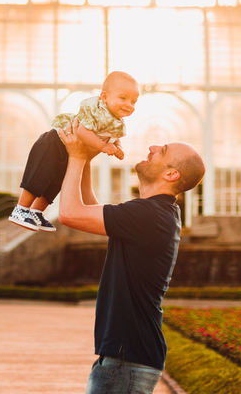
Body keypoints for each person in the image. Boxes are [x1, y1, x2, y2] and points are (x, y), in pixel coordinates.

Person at [58, 118, 206, 394]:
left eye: (161, 150)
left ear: (171, 174)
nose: (152, 147)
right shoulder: (155, 212)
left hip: (127, 359)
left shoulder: (149, 215)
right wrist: (87, 156)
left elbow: (69, 213)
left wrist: (76, 156)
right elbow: (90, 206)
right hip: (127, 357)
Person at [8, 71, 137, 232]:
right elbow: (82, 132)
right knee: (40, 175)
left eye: (133, 101)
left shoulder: (117, 122)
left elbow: (115, 137)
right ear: (104, 97)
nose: (129, 105)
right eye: (123, 98)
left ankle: (36, 212)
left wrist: (119, 148)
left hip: (70, 150)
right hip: (56, 142)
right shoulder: (95, 108)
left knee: (56, 182)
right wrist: (103, 147)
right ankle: (21, 208)